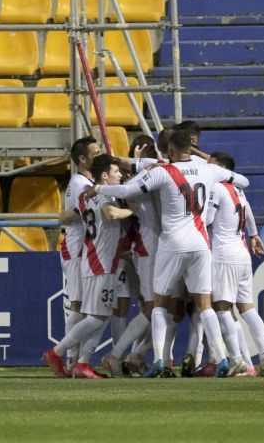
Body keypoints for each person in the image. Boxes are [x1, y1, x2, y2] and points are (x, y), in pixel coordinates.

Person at [88, 130, 250, 378]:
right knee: (201, 305)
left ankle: (154, 360)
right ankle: (223, 359)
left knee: (159, 304)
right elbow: (243, 181)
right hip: (198, 242)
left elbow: (128, 190)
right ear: (191, 147)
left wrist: (98, 188)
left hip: (168, 242)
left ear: (169, 151)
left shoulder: (160, 171)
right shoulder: (208, 169)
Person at [44, 155, 134, 379]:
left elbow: (66, 216)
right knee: (96, 317)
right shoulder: (104, 194)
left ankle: (82, 363)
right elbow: (111, 214)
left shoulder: (85, 196)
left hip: (92, 259)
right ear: (104, 176)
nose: (120, 175)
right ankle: (57, 352)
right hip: (102, 262)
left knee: (99, 316)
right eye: (116, 172)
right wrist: (133, 210)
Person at [206, 151, 264, 377]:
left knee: (222, 307)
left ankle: (237, 361)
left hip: (224, 254)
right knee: (247, 308)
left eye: (212, 166)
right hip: (242, 252)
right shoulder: (238, 190)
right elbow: (249, 213)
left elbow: (207, 220)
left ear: (222, 170)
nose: (208, 170)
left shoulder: (216, 189)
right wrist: (254, 235)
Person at [102, 135, 160, 377]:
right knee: (152, 307)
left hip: (154, 245)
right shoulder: (137, 180)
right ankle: (117, 355)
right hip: (147, 247)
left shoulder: (149, 174)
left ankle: (139, 355)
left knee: (166, 307)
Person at [56, 137, 101, 373]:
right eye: (95, 153)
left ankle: (76, 359)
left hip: (87, 248)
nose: (99, 155)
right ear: (82, 159)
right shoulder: (78, 182)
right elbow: (70, 215)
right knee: (77, 303)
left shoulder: (90, 181)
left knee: (85, 305)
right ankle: (70, 359)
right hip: (75, 248)